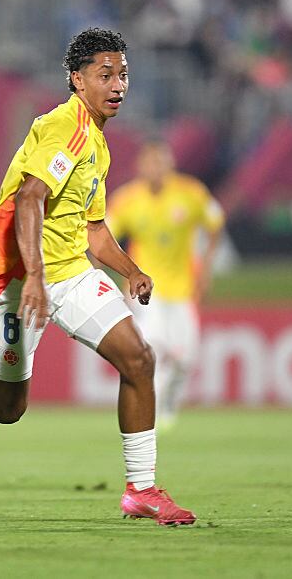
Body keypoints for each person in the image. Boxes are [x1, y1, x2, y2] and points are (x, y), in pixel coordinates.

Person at [0, 28, 196, 526]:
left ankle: (141, 489)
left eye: (124, 75)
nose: (118, 85)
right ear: (77, 79)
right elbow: (30, 197)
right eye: (105, 75)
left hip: (71, 273)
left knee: (139, 358)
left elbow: (92, 230)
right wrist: (31, 278)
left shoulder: (98, 142)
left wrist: (131, 270)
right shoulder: (63, 126)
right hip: (11, 281)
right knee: (8, 408)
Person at [107, 142, 224, 429]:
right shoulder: (127, 199)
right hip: (146, 291)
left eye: (161, 162)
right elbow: (104, 237)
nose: (155, 169)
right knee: (153, 349)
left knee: (185, 358)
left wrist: (206, 268)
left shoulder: (191, 193)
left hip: (183, 289)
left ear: (170, 165)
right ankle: (149, 416)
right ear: (141, 166)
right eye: (150, 163)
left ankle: (169, 401)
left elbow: (215, 223)